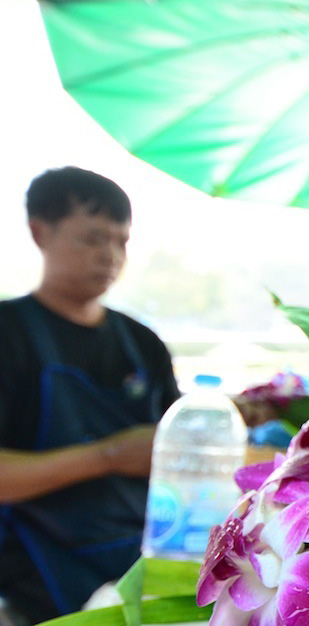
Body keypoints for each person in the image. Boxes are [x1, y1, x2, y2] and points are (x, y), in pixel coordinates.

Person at [0, 167, 180, 623]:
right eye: (93, 238)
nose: (110, 255)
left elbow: (180, 450)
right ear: (40, 233)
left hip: (141, 556)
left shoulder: (142, 343)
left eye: (121, 241)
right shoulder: (9, 332)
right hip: (34, 570)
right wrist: (112, 454)